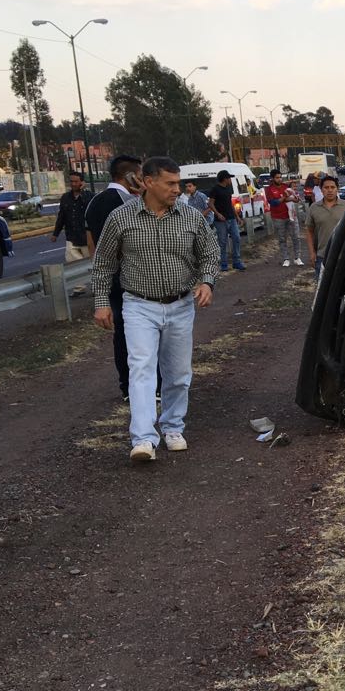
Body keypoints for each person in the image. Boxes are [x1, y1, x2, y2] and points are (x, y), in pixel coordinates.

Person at [90, 157, 220, 463]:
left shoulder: (190, 217)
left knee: (177, 373)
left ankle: (173, 427)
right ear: (148, 182)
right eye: (170, 183)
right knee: (141, 370)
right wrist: (101, 303)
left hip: (180, 305)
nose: (178, 189)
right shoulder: (121, 218)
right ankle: (144, 439)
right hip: (138, 306)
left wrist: (207, 282)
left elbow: (210, 252)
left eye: (178, 183)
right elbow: (103, 263)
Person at [85, 154, 145, 399]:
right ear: (130, 176)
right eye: (140, 176)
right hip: (133, 278)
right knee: (143, 334)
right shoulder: (128, 202)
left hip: (110, 278)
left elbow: (91, 245)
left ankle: (126, 386)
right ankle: (150, 386)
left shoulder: (94, 203)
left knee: (121, 333)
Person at [52, 171, 93, 296]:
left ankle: (97, 288)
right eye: (71, 181)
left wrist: (83, 193)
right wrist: (56, 233)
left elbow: (90, 209)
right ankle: (78, 288)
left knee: (90, 264)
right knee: (73, 263)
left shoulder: (89, 196)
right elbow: (61, 216)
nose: (73, 184)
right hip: (71, 236)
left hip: (86, 236)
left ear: (81, 182)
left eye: (76, 181)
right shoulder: (65, 198)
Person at [306, 175, 345, 280]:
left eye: (332, 187)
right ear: (321, 189)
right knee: (322, 290)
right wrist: (312, 253)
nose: (330, 190)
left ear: (337, 189)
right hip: (322, 256)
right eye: (326, 187)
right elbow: (309, 231)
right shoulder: (314, 208)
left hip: (343, 256)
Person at [264, 171, 304, 267]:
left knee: (296, 237)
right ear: (272, 178)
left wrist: (295, 199)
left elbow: (291, 197)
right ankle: (286, 259)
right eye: (277, 177)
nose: (279, 179)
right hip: (278, 217)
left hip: (291, 216)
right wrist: (284, 198)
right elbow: (273, 203)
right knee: (282, 239)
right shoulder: (269, 189)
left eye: (280, 177)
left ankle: (297, 258)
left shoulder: (285, 186)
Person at [208, 169, 245, 271]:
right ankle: (223, 264)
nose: (230, 180)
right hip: (220, 221)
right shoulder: (215, 189)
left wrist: (237, 217)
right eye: (229, 178)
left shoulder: (228, 189)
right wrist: (218, 214)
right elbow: (210, 203)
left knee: (236, 238)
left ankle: (237, 262)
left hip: (231, 218)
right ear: (225, 179)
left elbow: (230, 204)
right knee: (222, 242)